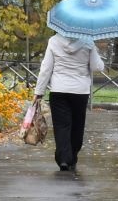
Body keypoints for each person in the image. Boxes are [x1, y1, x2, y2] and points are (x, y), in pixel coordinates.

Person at [33, 31, 108, 172]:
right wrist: (94, 49)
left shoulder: (54, 41)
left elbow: (46, 68)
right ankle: (72, 156)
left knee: (61, 126)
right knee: (77, 126)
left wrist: (39, 92)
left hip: (58, 90)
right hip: (80, 92)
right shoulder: (88, 41)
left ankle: (63, 159)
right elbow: (97, 67)